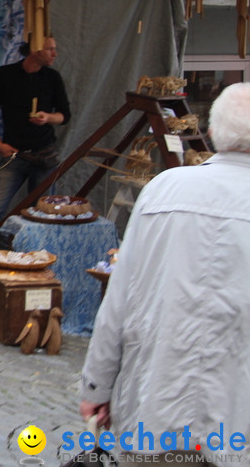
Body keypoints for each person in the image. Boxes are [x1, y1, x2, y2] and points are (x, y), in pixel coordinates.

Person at [78, 82, 250, 465]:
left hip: (155, 407)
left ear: (213, 130)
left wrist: (96, 387)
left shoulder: (164, 190)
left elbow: (117, 302)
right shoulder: (163, 190)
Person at [0, 36, 70, 245]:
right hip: (14, 154)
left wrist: (47, 118)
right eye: (50, 49)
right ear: (35, 50)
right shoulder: (5, 75)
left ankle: (36, 259)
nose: (55, 53)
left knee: (44, 213)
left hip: (45, 154)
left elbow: (64, 115)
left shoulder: (52, 77)